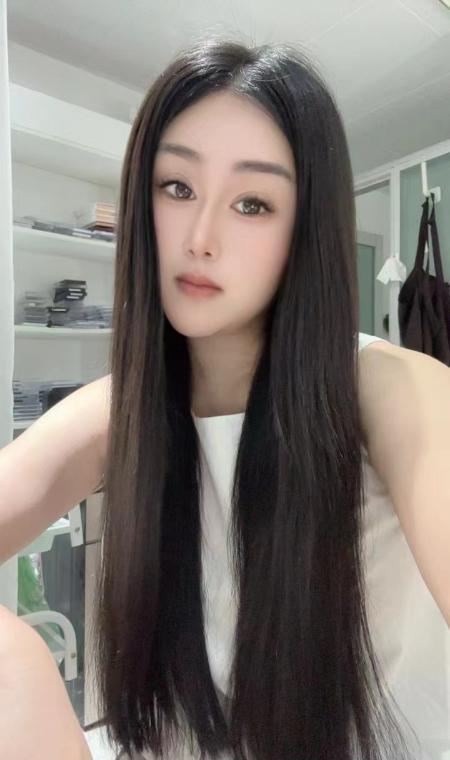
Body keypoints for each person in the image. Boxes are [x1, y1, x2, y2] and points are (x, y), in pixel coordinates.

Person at [0, 36, 449, 760]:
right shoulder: (123, 409)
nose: (201, 238)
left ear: (305, 231)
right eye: (177, 188)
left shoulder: (392, 387)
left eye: (252, 203)